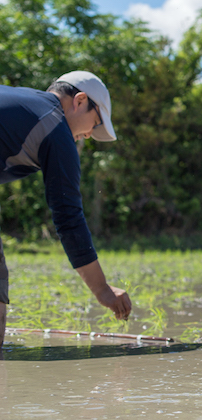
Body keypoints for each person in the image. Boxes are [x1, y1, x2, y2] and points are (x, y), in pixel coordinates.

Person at [0, 71, 132, 347]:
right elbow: (68, 216)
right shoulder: (55, 126)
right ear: (80, 101)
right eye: (93, 124)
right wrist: (102, 289)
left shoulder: (25, 102)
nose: (86, 135)